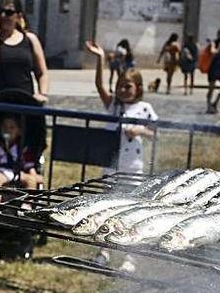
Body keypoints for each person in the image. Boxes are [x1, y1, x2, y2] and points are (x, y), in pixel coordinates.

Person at [84, 39, 157, 272]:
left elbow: (154, 132)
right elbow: (99, 85)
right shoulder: (113, 105)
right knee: (107, 208)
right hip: (111, 167)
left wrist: (140, 130)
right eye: (121, 86)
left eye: (128, 86)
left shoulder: (144, 108)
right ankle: (103, 250)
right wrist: (100, 60)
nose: (123, 90)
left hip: (132, 168)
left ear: (138, 88)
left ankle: (129, 256)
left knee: (131, 210)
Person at [0, 0, 50, 104]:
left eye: (9, 13)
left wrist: (42, 94)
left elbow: (42, 72)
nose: (3, 16)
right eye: (0, 11)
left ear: (18, 16)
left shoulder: (30, 39)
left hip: (23, 101)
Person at [0, 114, 42, 190]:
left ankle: (28, 201)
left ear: (19, 131)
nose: (7, 130)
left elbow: (29, 166)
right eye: (4, 127)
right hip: (0, 171)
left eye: (11, 127)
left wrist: (33, 176)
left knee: (31, 180)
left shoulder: (22, 148)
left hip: (18, 172)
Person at [206, 29, 220, 114]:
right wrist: (213, 44)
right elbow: (213, 52)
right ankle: (208, 106)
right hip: (213, 68)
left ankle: (215, 104)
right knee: (211, 88)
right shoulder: (215, 43)